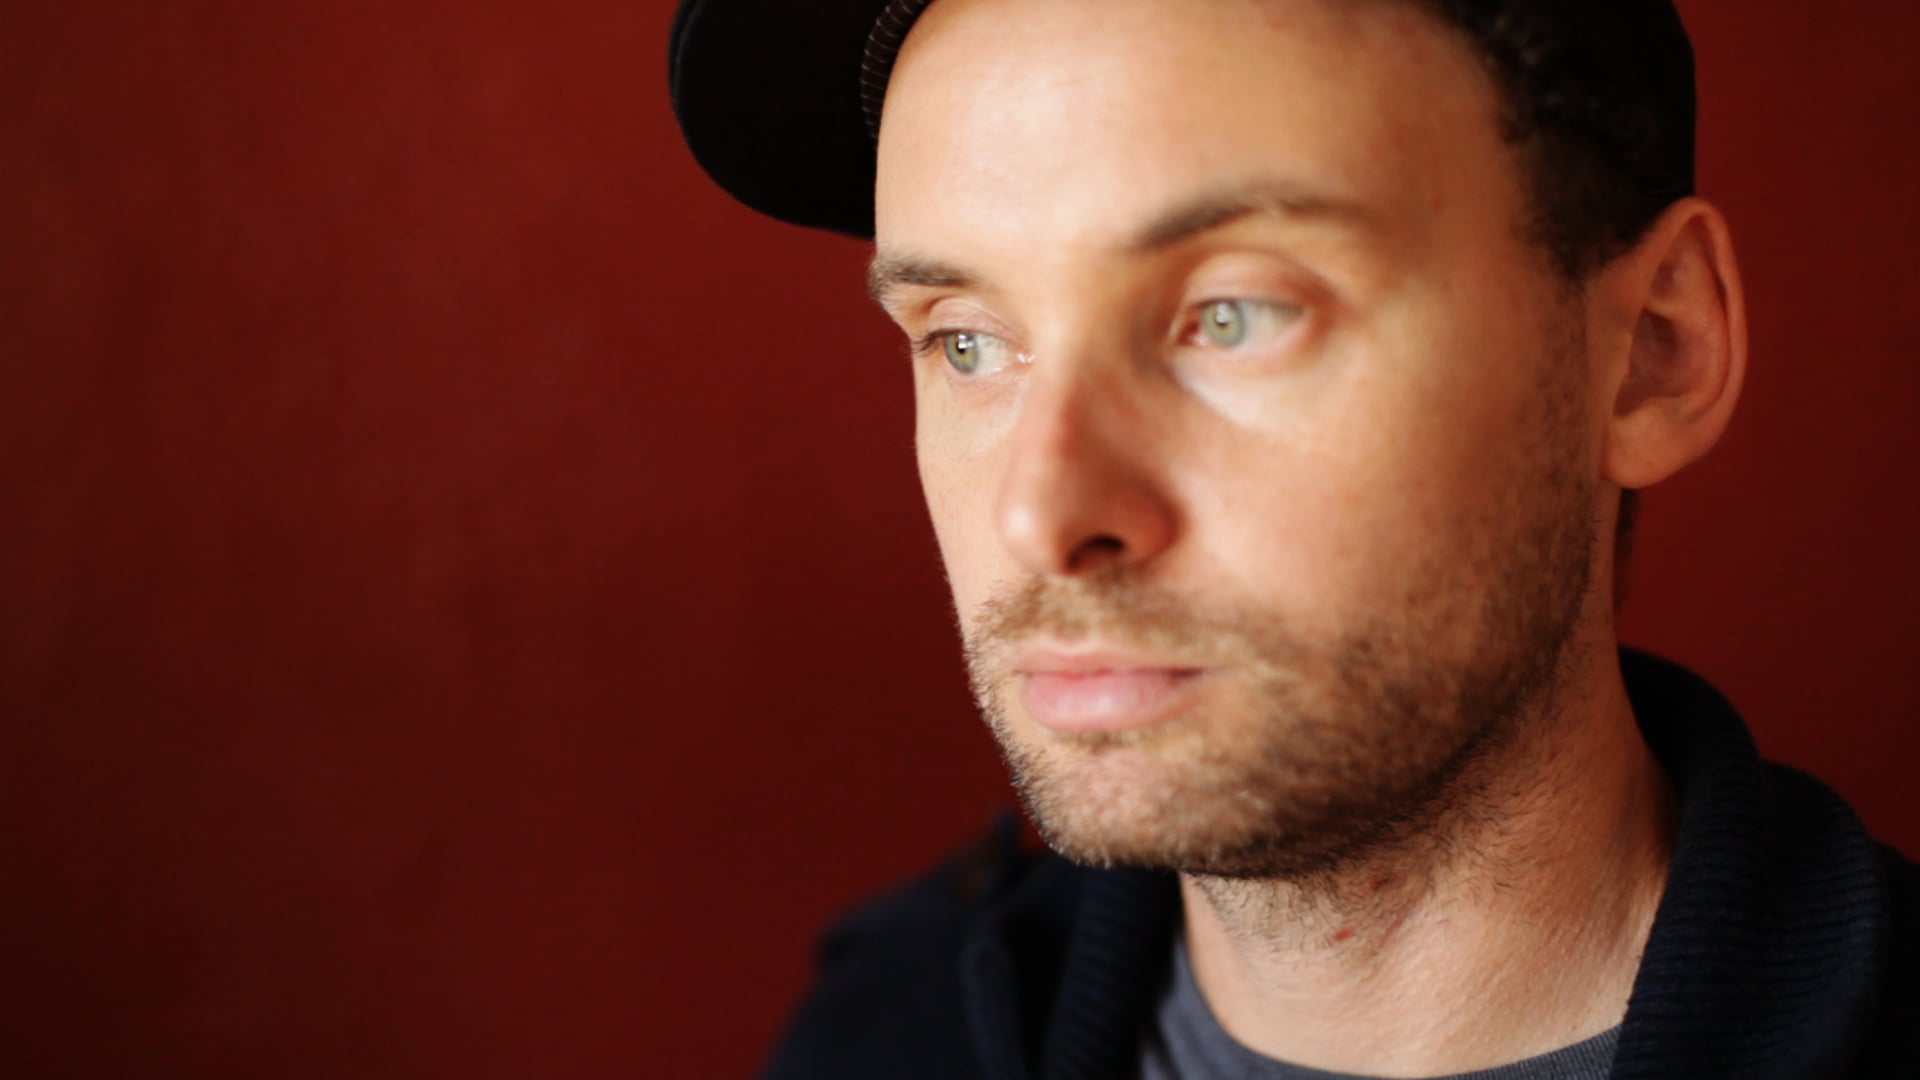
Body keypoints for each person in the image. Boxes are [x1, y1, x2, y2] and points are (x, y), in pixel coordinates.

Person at [669, 0, 1920, 1076]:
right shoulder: (888, 1031)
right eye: (967, 341)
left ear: (1651, 350)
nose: (1042, 519)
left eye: (1235, 314)